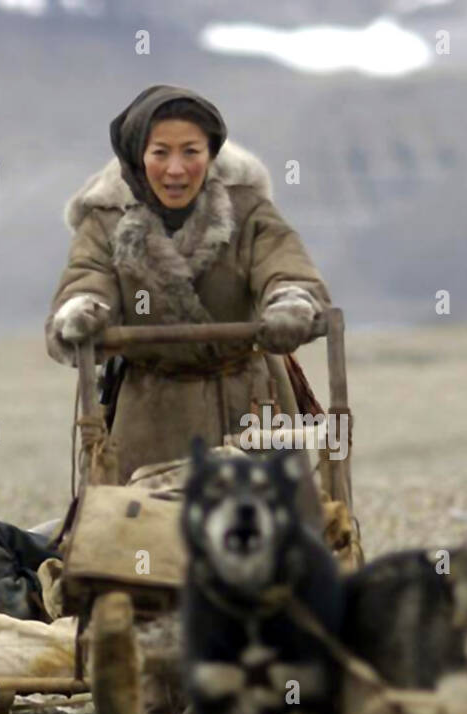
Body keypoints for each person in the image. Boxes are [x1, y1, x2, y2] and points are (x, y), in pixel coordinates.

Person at [44, 84, 332, 483]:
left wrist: (291, 301)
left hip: (248, 405)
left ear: (210, 155)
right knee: (143, 525)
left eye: (191, 152)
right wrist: (82, 311)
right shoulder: (105, 222)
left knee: (265, 526)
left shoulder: (248, 211)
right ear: (137, 155)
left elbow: (283, 262)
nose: (176, 169)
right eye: (160, 152)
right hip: (149, 414)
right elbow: (87, 277)